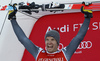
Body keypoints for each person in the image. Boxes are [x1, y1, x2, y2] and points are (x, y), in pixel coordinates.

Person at [8, 5, 93, 61]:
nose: (49, 42)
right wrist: (13, 19)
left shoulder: (65, 53)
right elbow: (23, 39)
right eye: (47, 39)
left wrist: (87, 17)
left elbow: (78, 38)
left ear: (57, 43)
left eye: (52, 40)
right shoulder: (38, 52)